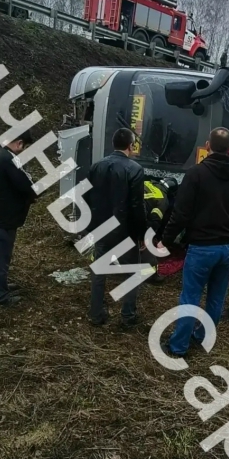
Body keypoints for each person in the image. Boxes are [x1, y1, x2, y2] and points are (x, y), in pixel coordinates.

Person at [160, 127, 229, 357]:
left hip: (201, 248)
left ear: (208, 146)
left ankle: (178, 346)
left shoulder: (196, 174)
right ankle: (202, 336)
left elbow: (180, 214)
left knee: (190, 298)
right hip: (228, 248)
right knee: (216, 298)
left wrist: (166, 240)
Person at [87, 128, 146, 327]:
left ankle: (96, 313)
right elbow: (137, 206)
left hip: (101, 228)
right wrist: (142, 234)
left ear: (113, 144)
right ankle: (128, 315)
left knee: (99, 271)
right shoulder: (135, 169)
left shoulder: (96, 166)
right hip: (125, 230)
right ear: (130, 145)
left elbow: (86, 197)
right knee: (133, 272)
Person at [0, 130, 37, 306]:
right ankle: (0, 295)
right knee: (0, 257)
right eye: (24, 147)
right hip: (2, 218)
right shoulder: (8, 159)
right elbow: (25, 186)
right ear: (19, 143)